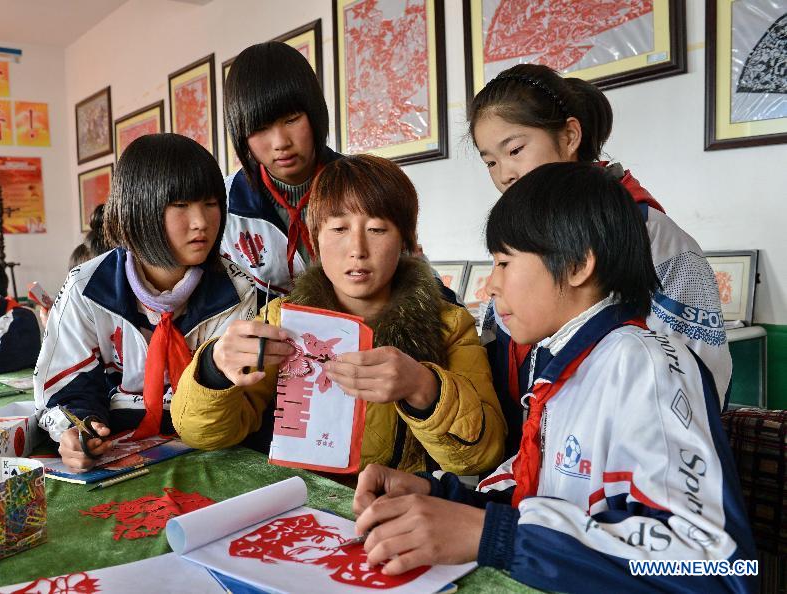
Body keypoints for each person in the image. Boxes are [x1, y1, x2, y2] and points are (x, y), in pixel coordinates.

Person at [352, 162, 756, 593]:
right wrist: (441, 498)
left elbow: (716, 573)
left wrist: (495, 536)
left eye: (505, 262)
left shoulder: (643, 366)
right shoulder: (567, 364)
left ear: (579, 264)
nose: (491, 286)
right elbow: (547, 498)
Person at [172, 155, 505, 475]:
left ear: (405, 240)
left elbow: (482, 455)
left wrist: (422, 386)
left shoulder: (449, 325)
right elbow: (203, 434)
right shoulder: (281, 321)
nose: (357, 249)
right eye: (339, 229)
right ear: (314, 239)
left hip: (390, 509)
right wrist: (213, 369)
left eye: (376, 229)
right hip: (295, 500)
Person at [469, 64, 731, 451]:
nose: (504, 174)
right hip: (527, 466)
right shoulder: (517, 239)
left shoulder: (651, 236)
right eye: (490, 161)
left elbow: (693, 382)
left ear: (570, 135)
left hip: (620, 467)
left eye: (515, 150)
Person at [33, 134, 256, 472]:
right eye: (180, 205)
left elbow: (243, 403)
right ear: (138, 208)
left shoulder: (238, 291)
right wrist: (80, 431)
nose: (201, 222)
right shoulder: (87, 288)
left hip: (213, 455)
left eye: (211, 203)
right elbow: (66, 389)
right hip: (116, 453)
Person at [221, 41, 338, 300]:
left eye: (291, 119)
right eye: (260, 128)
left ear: (315, 112)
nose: (280, 143)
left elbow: (415, 275)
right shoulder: (222, 204)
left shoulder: (364, 183)